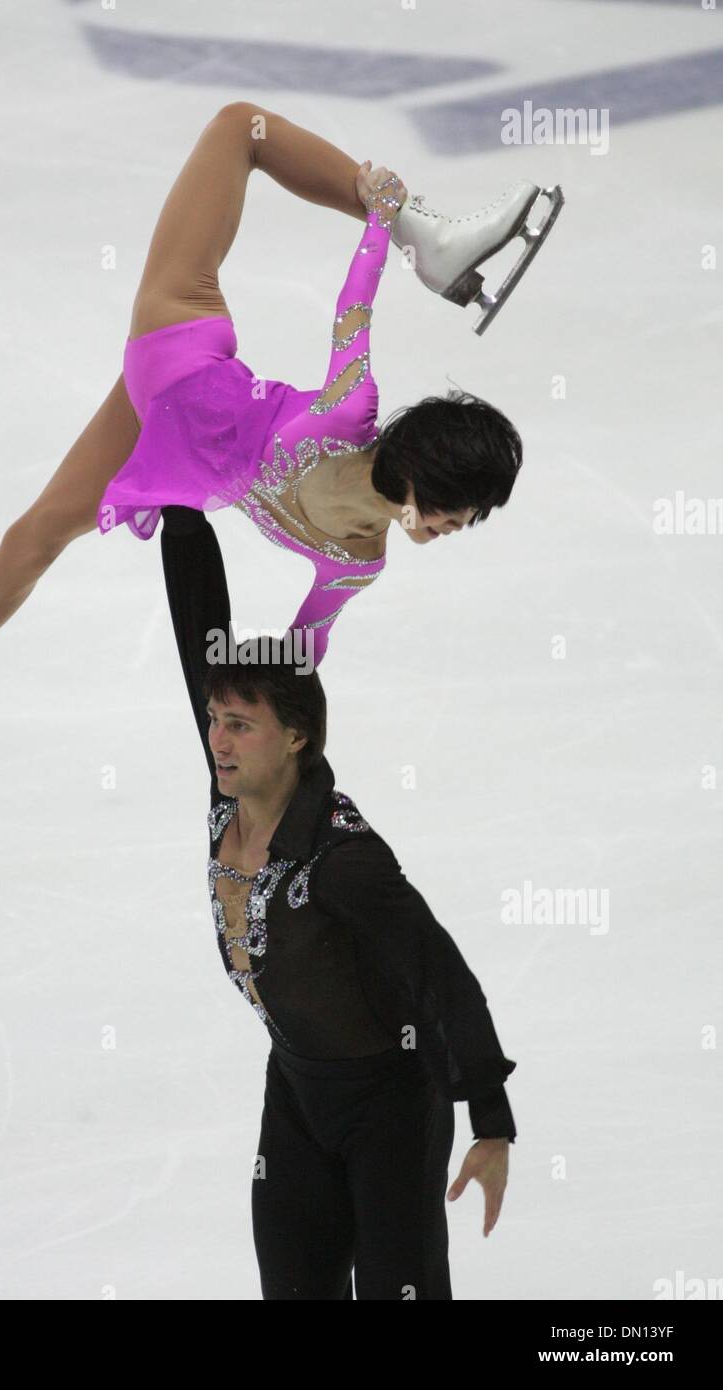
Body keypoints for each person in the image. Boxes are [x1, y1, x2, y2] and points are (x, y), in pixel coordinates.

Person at [0, 101, 562, 814]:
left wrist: (275, 761)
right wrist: (382, 219)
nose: (454, 529)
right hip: (181, 347)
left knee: (37, 538)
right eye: (456, 511)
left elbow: (296, 661)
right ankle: (425, 234)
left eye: (467, 521)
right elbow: (354, 311)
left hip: (168, 439)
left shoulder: (355, 563)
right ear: (424, 474)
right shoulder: (347, 415)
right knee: (242, 127)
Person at [159, 502, 518, 1300]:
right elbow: (199, 635)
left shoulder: (341, 858)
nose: (218, 738)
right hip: (295, 1091)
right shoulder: (234, 792)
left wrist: (489, 1119)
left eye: (240, 725)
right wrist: (182, 503)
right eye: (215, 720)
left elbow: (439, 971)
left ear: (296, 737)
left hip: (389, 1106)